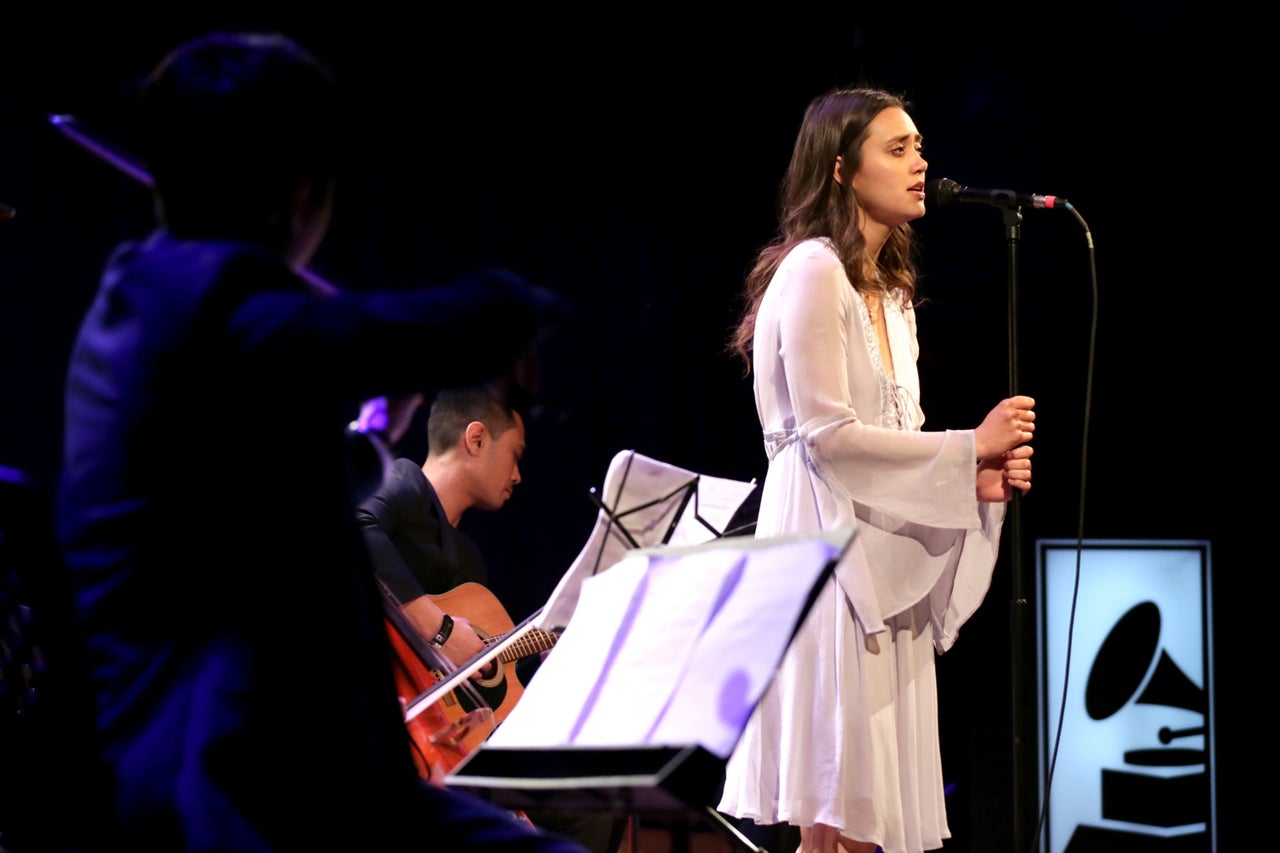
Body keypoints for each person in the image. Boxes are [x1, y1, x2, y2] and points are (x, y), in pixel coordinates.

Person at [53, 30, 590, 852]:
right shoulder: (210, 300)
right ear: (300, 193)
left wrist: (381, 437)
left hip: (264, 767)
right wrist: (518, 309)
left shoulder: (136, 307)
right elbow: (429, 325)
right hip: (243, 788)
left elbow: (241, 497)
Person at [715, 87, 1036, 853]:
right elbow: (828, 436)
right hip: (825, 560)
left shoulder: (891, 295)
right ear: (840, 170)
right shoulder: (813, 270)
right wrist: (969, 446)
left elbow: (895, 443)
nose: (921, 162)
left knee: (856, 826)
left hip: (884, 565)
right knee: (834, 820)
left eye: (920, 146)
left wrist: (970, 481)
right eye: (898, 149)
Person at [357, 385, 625, 853]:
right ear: (476, 439)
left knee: (597, 807)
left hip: (457, 745)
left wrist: (550, 654)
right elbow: (355, 524)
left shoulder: (470, 567)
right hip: (390, 730)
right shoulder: (403, 484)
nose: (518, 475)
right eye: (515, 455)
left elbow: (491, 692)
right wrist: (439, 628)